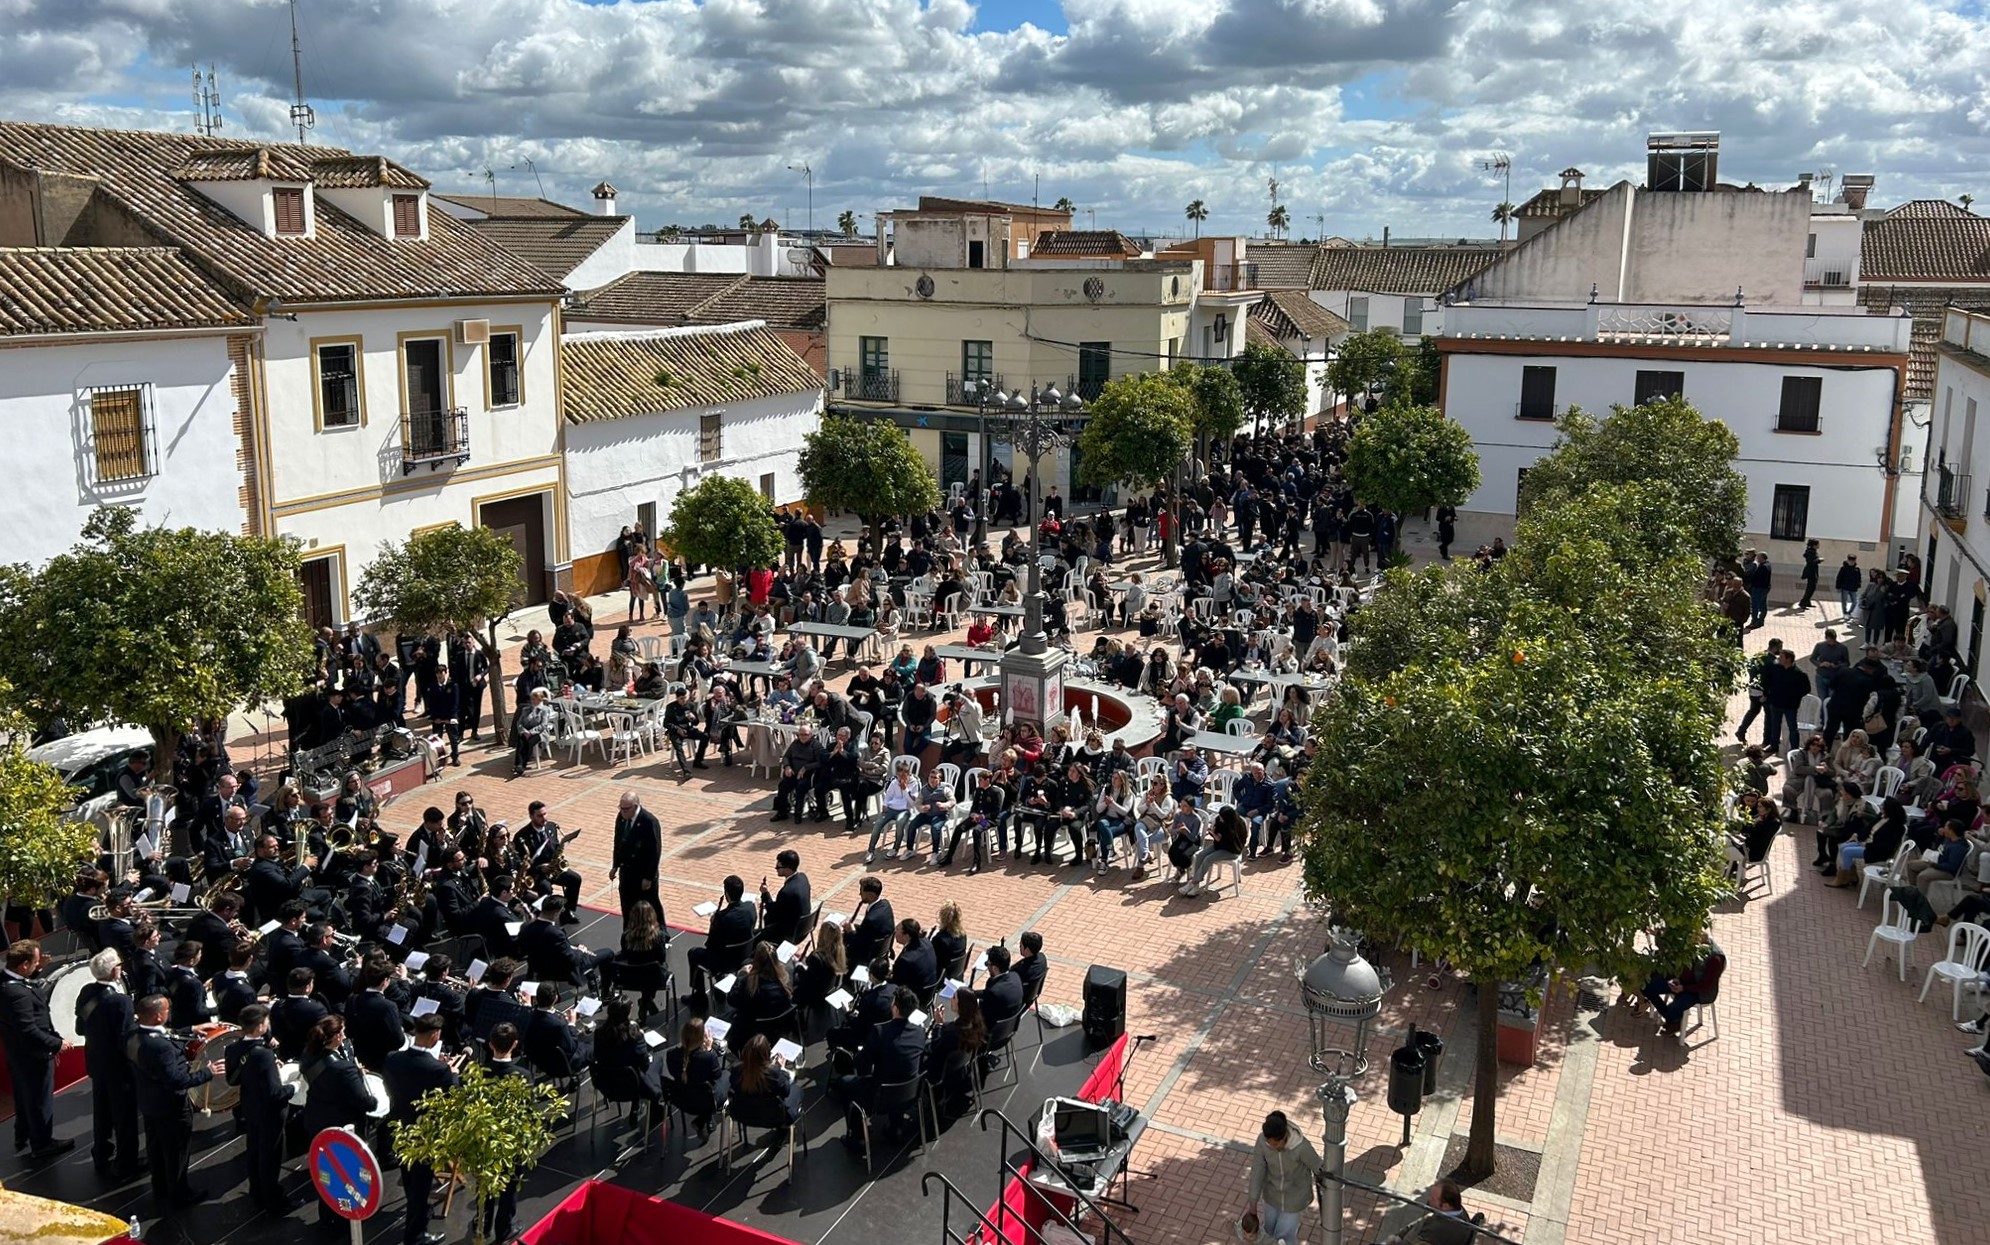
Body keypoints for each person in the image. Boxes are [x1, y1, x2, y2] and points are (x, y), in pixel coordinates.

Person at [130, 992, 218, 1205]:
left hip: (149, 1101)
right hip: (171, 1107)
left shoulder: (132, 1034)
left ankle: (160, 1187)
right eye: (167, 1010)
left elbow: (165, 1034)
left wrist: (190, 1030)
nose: (169, 1013)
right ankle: (180, 1194)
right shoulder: (161, 1048)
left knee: (156, 1148)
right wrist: (207, 1072)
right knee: (177, 1151)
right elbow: (177, 1080)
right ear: (158, 1016)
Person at [0, 942, 71, 1161]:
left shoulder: (6, 981)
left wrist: (38, 969)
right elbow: (28, 1029)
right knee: (40, 1099)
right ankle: (42, 1143)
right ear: (23, 965)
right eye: (35, 961)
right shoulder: (16, 993)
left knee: (24, 1096)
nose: (38, 963)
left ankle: (22, 1134)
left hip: (18, 1054)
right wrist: (56, 1044)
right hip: (33, 1056)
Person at [226, 1003, 298, 1216]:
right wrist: (294, 1087)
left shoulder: (233, 1049)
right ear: (259, 1027)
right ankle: (273, 1200)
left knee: (255, 1151)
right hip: (269, 1113)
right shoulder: (263, 1055)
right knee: (270, 1157)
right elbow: (275, 1093)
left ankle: (257, 1191)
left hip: (250, 1107)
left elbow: (233, 1080)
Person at [831, 987, 925, 1147]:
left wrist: (863, 1053)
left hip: (879, 1097)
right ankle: (896, 1127)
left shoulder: (880, 1031)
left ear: (896, 1008)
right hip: (909, 1093)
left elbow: (862, 1067)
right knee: (899, 1074)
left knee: (844, 1084)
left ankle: (858, 1137)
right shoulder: (919, 1032)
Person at [76, 949, 139, 1176]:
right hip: (119, 1067)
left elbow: (80, 1028)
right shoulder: (121, 1001)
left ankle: (101, 1153)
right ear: (114, 971)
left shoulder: (86, 992)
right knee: (124, 1115)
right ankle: (126, 1161)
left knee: (102, 1111)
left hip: (96, 1060)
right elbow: (126, 1039)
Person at [1245, 1110, 1324, 1245]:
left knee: (1284, 1238)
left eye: (1275, 1144)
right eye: (1268, 1143)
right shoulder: (1262, 1142)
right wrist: (1252, 1205)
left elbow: (1318, 1167)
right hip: (1271, 1195)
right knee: (1268, 1232)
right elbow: (1257, 1170)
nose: (1271, 1147)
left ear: (1284, 1137)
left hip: (1294, 1199)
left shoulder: (1301, 1147)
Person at [1635, 937, 1726, 1036]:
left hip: (1699, 992)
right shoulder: (1691, 946)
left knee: (1673, 1010)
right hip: (1684, 982)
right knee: (1647, 987)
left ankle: (1674, 1021)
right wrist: (1677, 979)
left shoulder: (1715, 959)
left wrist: (1683, 988)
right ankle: (1672, 1018)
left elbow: (1706, 985)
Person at [665, 1016, 727, 1139]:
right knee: (728, 1076)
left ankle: (705, 1119)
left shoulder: (671, 1054)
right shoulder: (707, 1058)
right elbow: (717, 1075)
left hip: (681, 1098)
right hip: (704, 1101)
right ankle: (704, 1119)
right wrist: (710, 1050)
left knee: (703, 1090)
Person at [730, 1033, 804, 1134]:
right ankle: (782, 1129)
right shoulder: (774, 1073)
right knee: (797, 1090)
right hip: (776, 1118)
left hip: (744, 1115)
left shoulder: (736, 1070)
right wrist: (782, 1069)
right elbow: (785, 1091)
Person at [611, 791, 663, 923]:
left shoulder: (649, 821)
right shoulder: (621, 817)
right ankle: (628, 931)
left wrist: (648, 877)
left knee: (650, 907)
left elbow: (655, 851)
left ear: (635, 806)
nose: (623, 812)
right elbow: (618, 842)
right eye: (621, 808)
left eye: (626, 809)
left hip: (642, 873)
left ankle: (660, 931)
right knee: (627, 905)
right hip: (626, 871)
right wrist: (615, 865)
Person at [1383, 1181, 1479, 1245]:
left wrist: (1394, 1242)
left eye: (1433, 1198)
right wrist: (1399, 1235)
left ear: (1445, 1205)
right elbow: (1421, 1222)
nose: (1429, 1200)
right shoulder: (1456, 1210)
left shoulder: (1436, 1231)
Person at [1182, 805, 1248, 897]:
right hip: (1219, 846)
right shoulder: (1219, 820)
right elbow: (1217, 833)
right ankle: (1196, 887)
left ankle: (1193, 882)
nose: (1219, 818)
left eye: (1221, 817)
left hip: (1232, 850)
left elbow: (1233, 842)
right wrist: (1213, 832)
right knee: (1199, 855)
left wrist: (1218, 837)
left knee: (1208, 859)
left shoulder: (1238, 825)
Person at [759, 849, 812, 947]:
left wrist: (765, 894)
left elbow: (774, 913)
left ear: (788, 869)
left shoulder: (786, 892)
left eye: (778, 867)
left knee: (758, 934)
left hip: (791, 933)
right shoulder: (803, 878)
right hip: (806, 926)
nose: (776, 868)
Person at [510, 686, 555, 777]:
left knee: (529, 743)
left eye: (535, 699)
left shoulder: (545, 710)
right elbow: (519, 723)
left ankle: (522, 765)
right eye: (532, 699)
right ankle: (518, 764)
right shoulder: (525, 710)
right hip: (526, 731)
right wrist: (524, 731)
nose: (532, 701)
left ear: (539, 700)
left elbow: (543, 725)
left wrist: (531, 732)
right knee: (521, 742)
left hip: (539, 733)